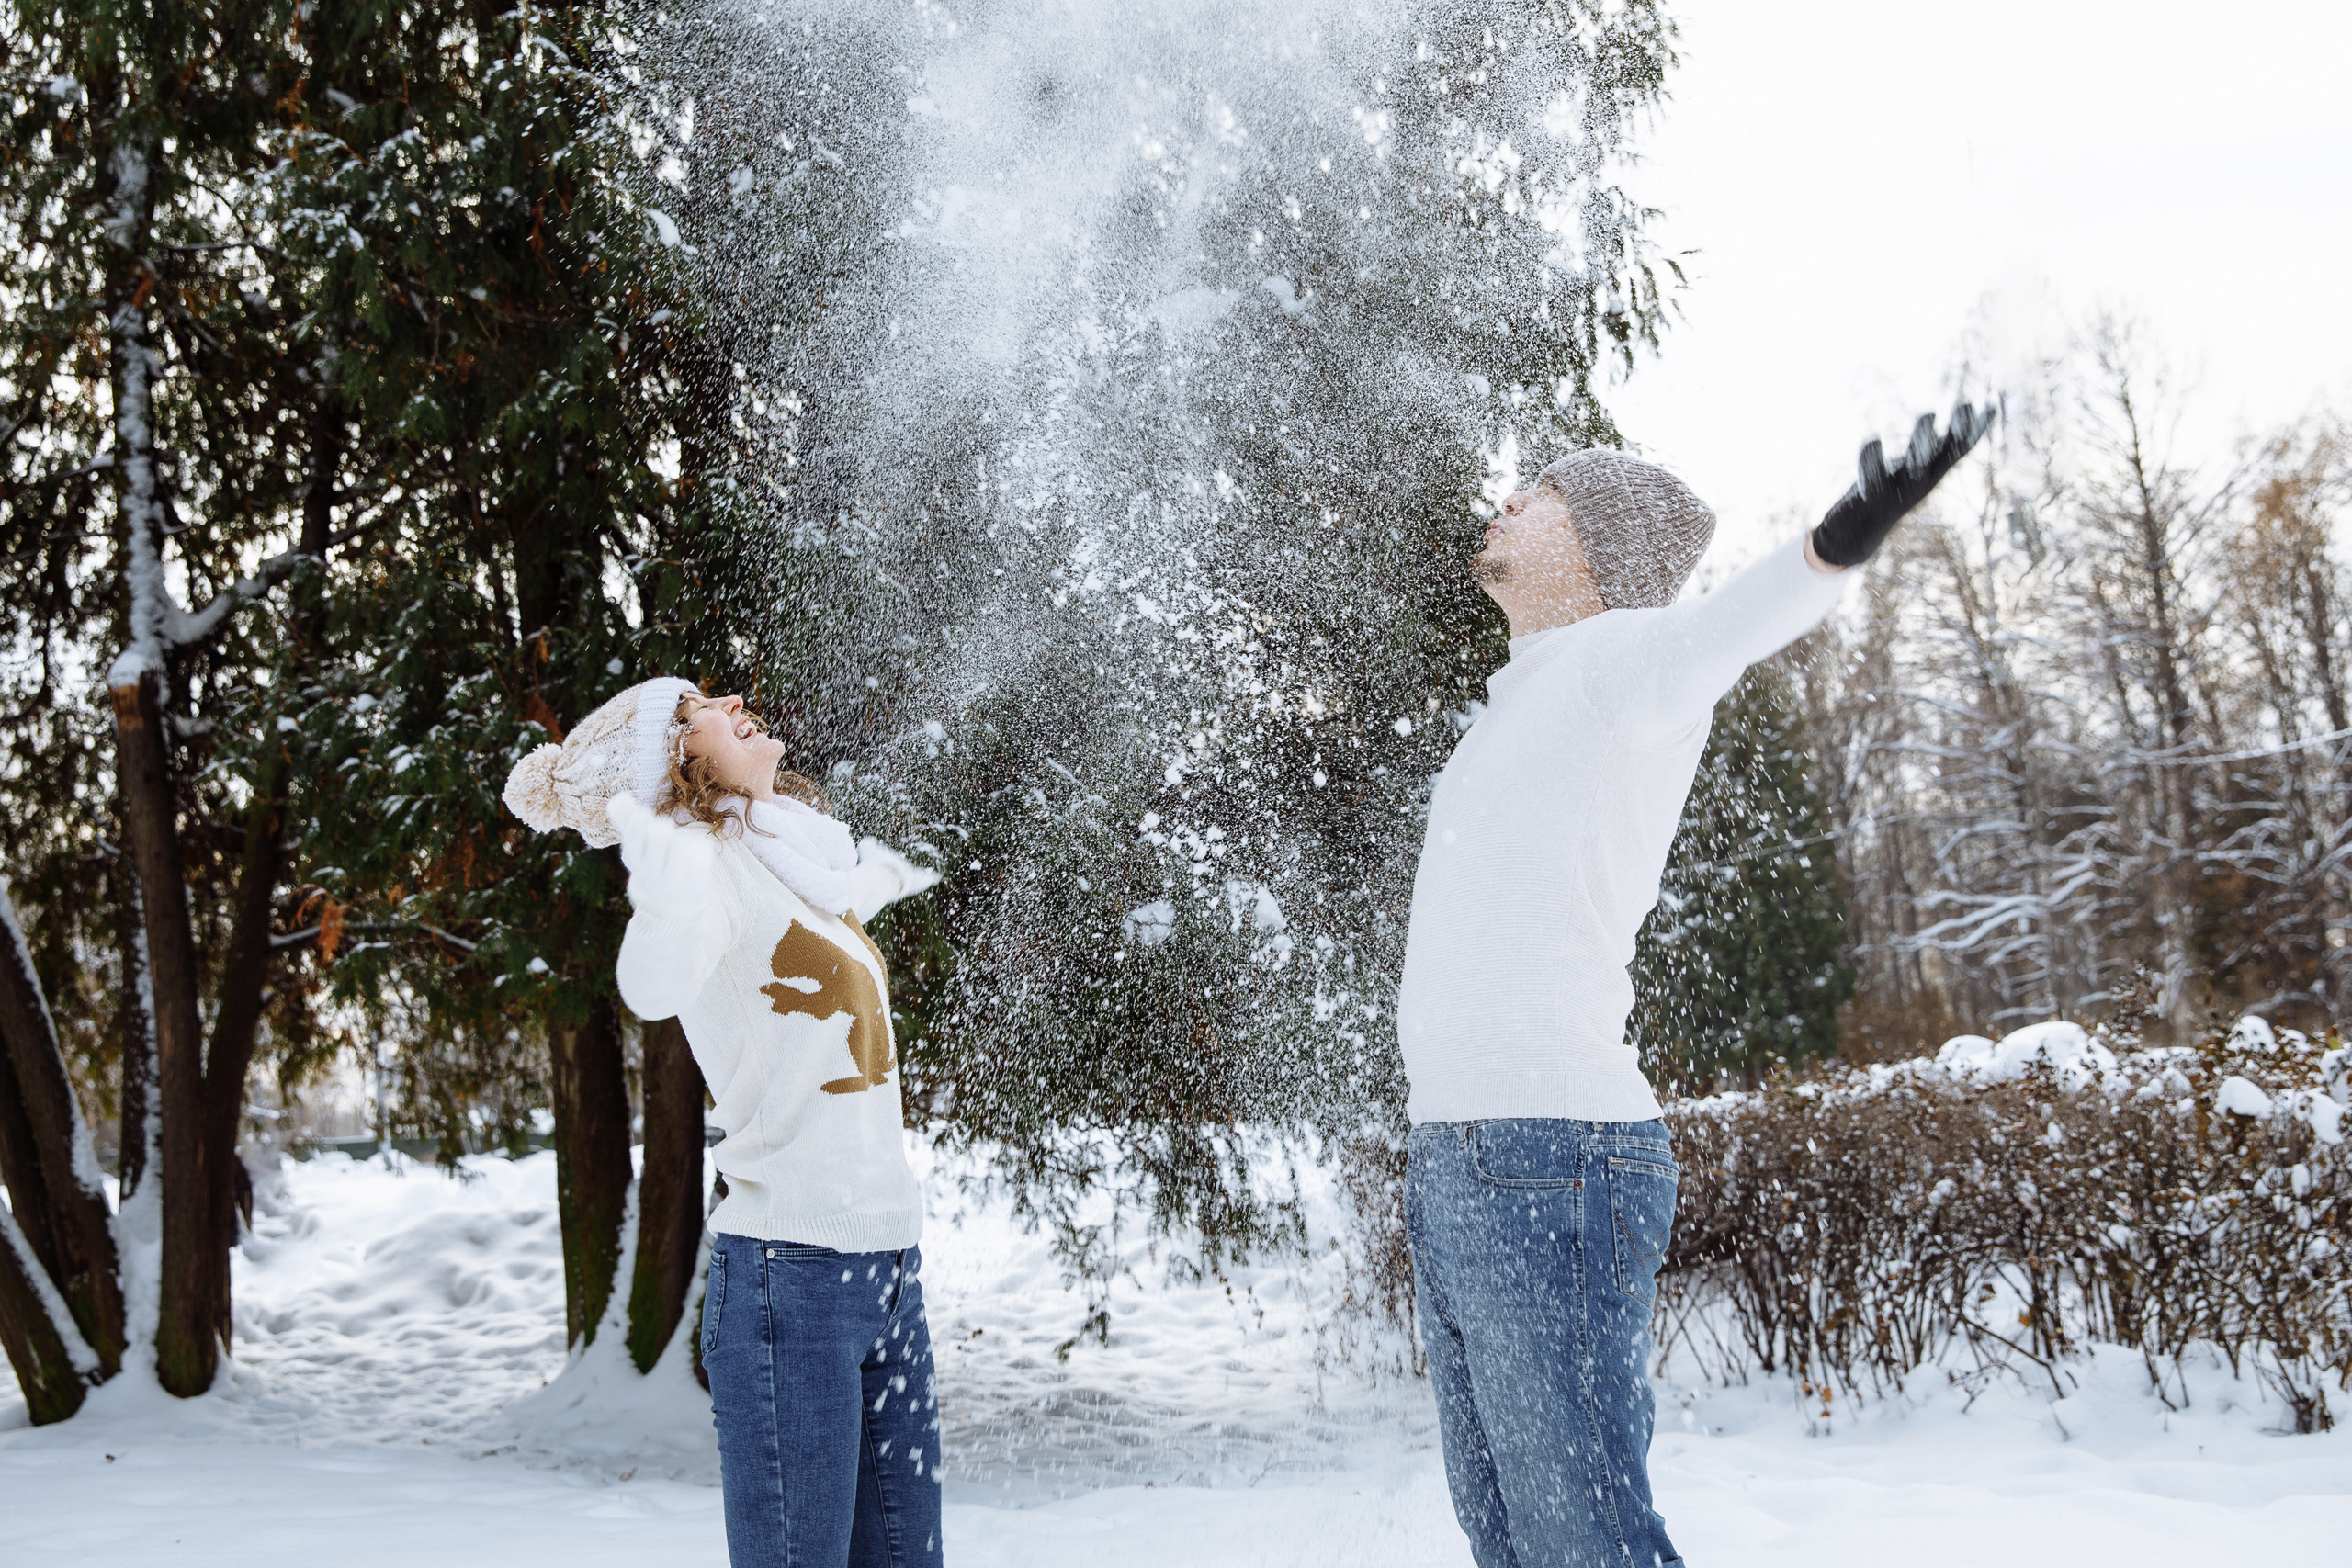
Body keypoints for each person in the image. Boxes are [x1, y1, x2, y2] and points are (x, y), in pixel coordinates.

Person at [1399, 408, 1993, 1567]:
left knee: (1584, 1538)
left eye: (1543, 491)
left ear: (1600, 549)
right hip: (1456, 1158)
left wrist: (1840, 537)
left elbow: (1738, 622)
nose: (1509, 499)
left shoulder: (1627, 666)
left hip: (1551, 1156)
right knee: (1508, 1536)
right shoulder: (1513, 701)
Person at [503, 678, 944, 1568]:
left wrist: (870, 889)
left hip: (888, 1268)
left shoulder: (791, 859)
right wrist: (662, 906)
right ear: (676, 758)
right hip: (792, 1281)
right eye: (696, 704)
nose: (734, 697)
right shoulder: (703, 871)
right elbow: (655, 987)